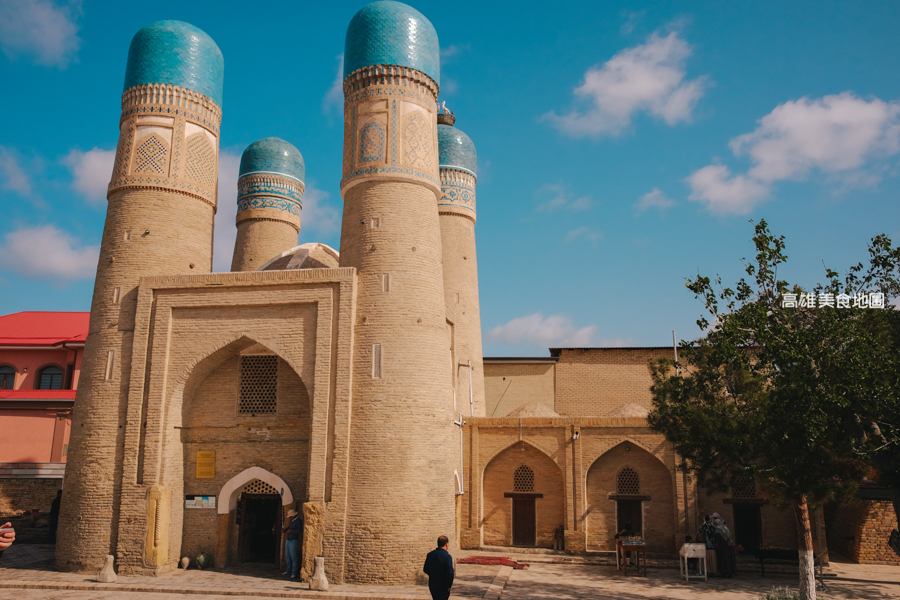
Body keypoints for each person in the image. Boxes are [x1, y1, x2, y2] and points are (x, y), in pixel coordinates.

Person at [423, 535, 454, 600]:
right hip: (443, 585)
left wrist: (433, 575)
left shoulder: (430, 554)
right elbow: (450, 572)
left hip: (433, 584)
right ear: (446, 544)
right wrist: (449, 585)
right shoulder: (447, 557)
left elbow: (425, 569)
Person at [713, 512, 736, 578]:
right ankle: (730, 572)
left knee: (723, 560)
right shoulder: (725, 528)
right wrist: (729, 542)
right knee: (729, 560)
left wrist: (724, 543)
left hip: (722, 547)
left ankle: (724, 572)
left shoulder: (717, 528)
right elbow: (730, 536)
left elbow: (719, 537)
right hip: (728, 546)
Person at [282, 508, 303, 579]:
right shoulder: (291, 521)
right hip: (288, 540)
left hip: (294, 540)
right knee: (287, 556)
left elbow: (299, 530)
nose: (290, 518)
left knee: (293, 557)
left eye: (290, 517)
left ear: (293, 516)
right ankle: (288, 570)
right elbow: (289, 528)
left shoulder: (298, 521)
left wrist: (291, 531)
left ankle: (294, 572)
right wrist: (285, 530)